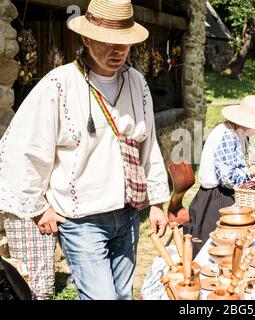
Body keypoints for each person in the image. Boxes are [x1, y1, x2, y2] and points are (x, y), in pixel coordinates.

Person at [0, 0, 170, 300]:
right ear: (87, 38)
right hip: (82, 222)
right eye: (108, 42)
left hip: (128, 214)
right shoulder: (59, 84)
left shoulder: (137, 83)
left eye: (125, 43)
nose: (118, 51)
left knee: (122, 295)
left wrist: (155, 201)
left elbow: (149, 144)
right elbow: (24, 148)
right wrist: (38, 208)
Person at [184, 96, 255, 256]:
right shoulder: (227, 135)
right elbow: (228, 176)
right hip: (216, 199)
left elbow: (240, 165)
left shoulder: (239, 133)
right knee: (219, 249)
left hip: (227, 194)